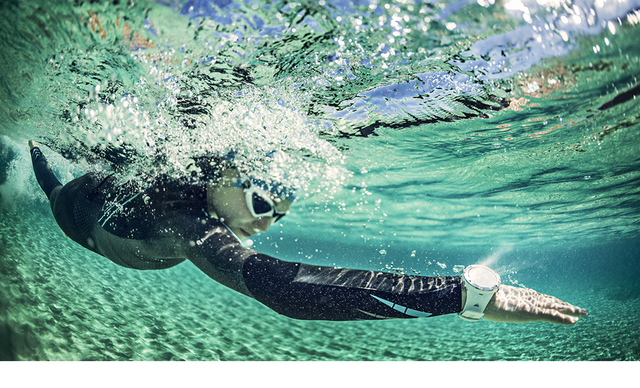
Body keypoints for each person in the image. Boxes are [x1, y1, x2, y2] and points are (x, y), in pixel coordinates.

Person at [28, 140, 587, 324]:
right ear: (221, 176)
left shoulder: (203, 197)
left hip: (103, 200)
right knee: (53, 184)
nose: (263, 224)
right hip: (75, 212)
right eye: (260, 203)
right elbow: (285, 289)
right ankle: (36, 152)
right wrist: (461, 296)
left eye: (277, 215)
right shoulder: (188, 222)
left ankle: (45, 154)